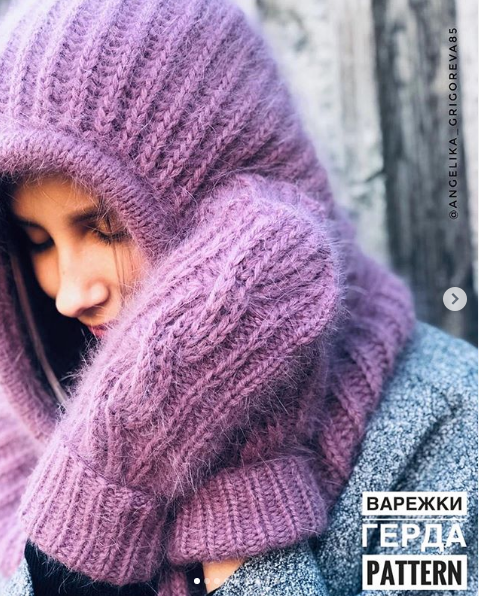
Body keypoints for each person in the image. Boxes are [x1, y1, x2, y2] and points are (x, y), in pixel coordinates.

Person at [0, 0, 476, 595]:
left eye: (106, 229)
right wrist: (103, 464)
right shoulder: (22, 433)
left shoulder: (445, 423)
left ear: (236, 222)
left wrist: (240, 490)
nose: (70, 294)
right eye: (39, 242)